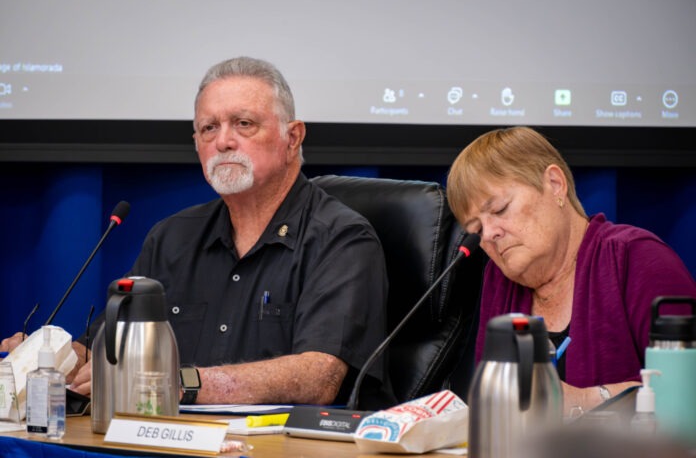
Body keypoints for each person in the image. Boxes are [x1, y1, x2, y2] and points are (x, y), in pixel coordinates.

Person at [2, 57, 392, 408]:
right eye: (209, 128)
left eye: (243, 124)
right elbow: (106, 353)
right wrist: (46, 360)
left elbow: (318, 377)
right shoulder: (172, 237)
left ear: (292, 138)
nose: (223, 141)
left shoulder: (342, 238)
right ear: (196, 144)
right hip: (170, 442)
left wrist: (178, 384)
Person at [446, 126, 696, 414]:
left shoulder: (637, 259)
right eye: (476, 229)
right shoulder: (498, 279)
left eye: (500, 209)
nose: (489, 234)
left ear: (555, 184)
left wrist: (585, 399)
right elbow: (493, 405)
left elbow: (687, 394)